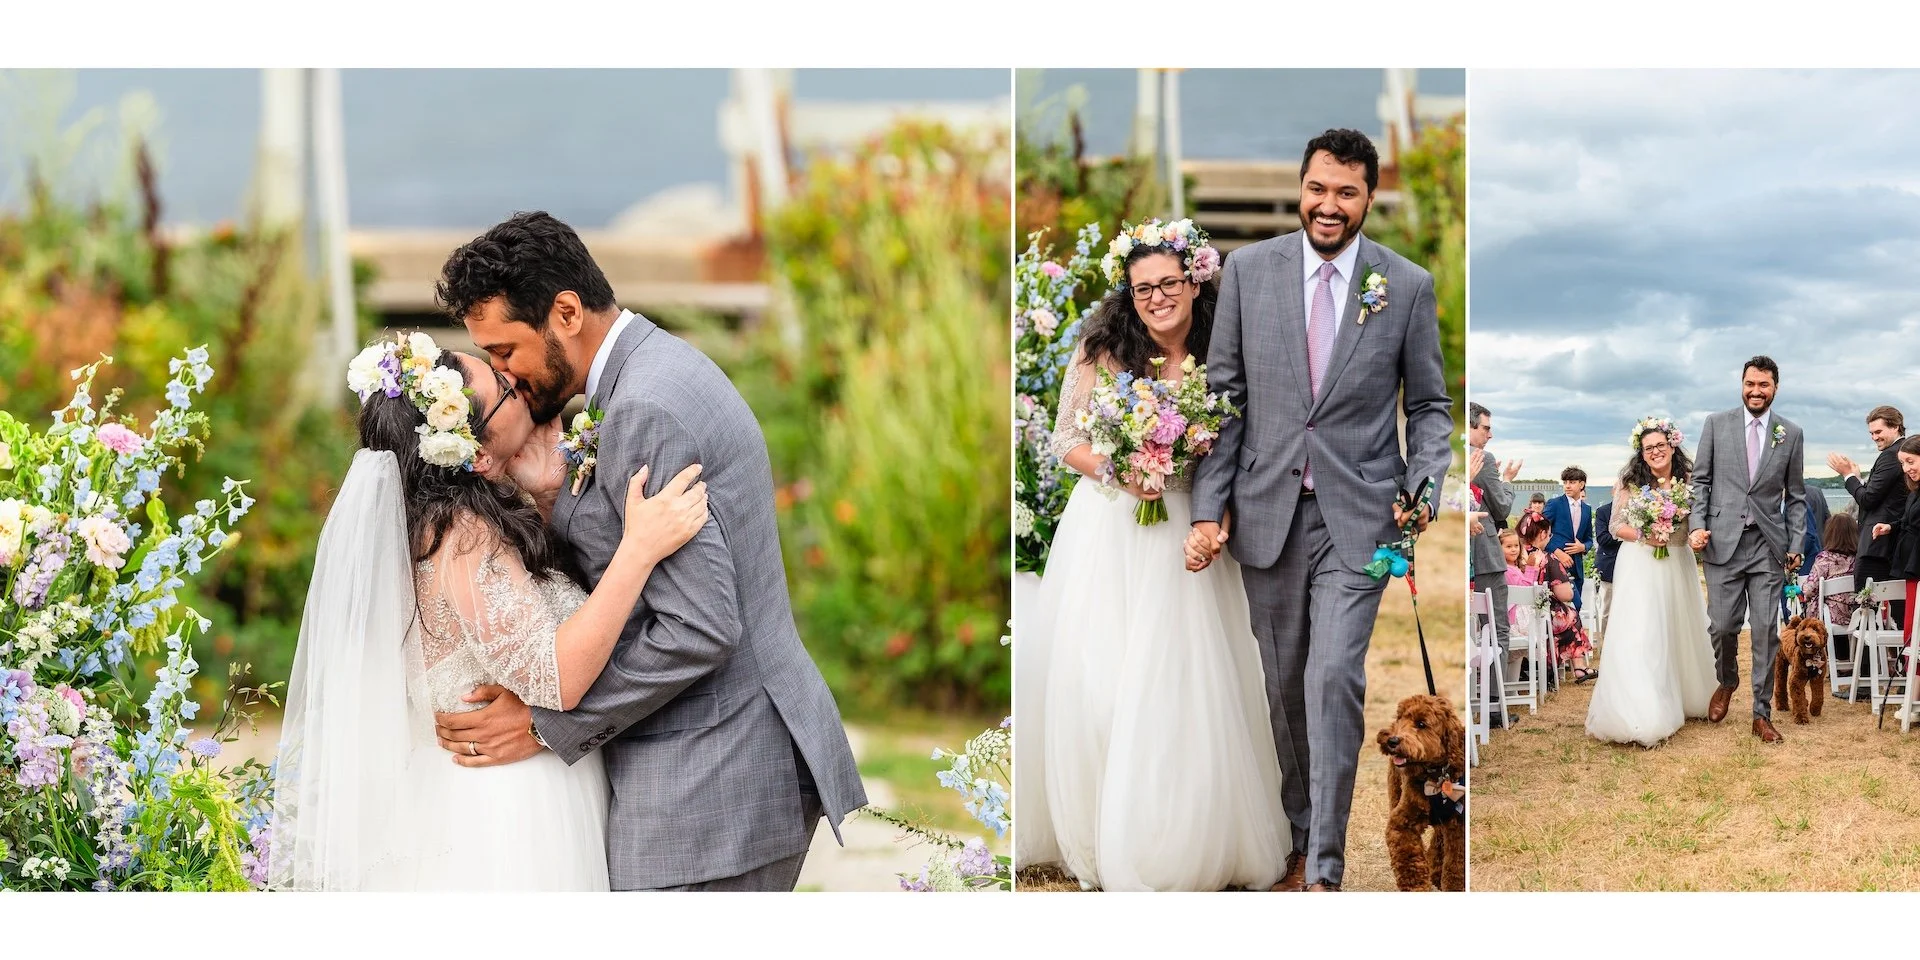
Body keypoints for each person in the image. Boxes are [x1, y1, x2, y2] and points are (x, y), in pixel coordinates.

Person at [424, 212, 865, 890]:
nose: (505, 374)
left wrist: (545, 726)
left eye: (506, 351)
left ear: (565, 312)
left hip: (712, 778)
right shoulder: (644, 374)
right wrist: (552, 502)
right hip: (714, 766)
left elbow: (698, 626)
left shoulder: (644, 408)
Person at [271, 333, 712, 889]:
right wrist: (640, 548)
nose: (520, 389)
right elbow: (559, 679)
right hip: (508, 812)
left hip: (502, 787)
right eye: (504, 389)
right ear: (474, 453)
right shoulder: (461, 537)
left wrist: (551, 497)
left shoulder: (444, 522)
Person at [1186, 128, 1452, 892]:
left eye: (1346, 192)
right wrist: (1211, 508)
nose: (1328, 206)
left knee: (1333, 676)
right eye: (1317, 189)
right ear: (1299, 187)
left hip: (1363, 517)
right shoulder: (1248, 271)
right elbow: (1226, 397)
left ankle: (1325, 869)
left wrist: (1423, 484)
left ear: (1370, 196)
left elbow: (1430, 404)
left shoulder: (1405, 284)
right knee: (1284, 685)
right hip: (1265, 512)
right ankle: (1299, 835)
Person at [1025, 219, 1287, 891]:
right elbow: (1065, 440)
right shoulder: (1104, 348)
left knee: (1184, 691)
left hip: (1187, 534)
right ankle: (1104, 829)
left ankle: (1181, 838)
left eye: (1169, 282)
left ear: (1196, 282)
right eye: (1143, 287)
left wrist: (1215, 519)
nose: (1156, 297)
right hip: (1111, 530)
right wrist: (1123, 473)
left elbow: (1241, 453)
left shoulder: (1224, 356)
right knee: (1103, 684)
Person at [1687, 356, 1807, 743]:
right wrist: (1697, 525)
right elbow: (1700, 482)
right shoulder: (1715, 424)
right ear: (1742, 384)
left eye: (1765, 385)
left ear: (1775, 388)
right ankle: (1727, 681)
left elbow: (1798, 496)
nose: (1757, 391)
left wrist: (1796, 542)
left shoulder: (1791, 432)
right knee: (1722, 626)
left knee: (1765, 632)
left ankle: (1761, 712)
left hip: (1768, 545)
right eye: (1751, 384)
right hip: (1722, 542)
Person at [1585, 418, 1719, 747]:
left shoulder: (1689, 480)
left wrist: (1694, 536)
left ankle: (1690, 696)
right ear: (1641, 454)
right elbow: (1617, 526)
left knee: (1680, 627)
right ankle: (1644, 711)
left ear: (1672, 446)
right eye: (1649, 448)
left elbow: (1698, 520)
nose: (1655, 452)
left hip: (1677, 561)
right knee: (1644, 632)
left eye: (1661, 445)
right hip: (1641, 563)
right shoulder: (1631, 480)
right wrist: (1647, 534)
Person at [1829, 405, 1906, 631]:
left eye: (1878, 432)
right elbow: (1879, 496)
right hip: (1888, 543)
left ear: (1895, 427)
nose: (1874, 438)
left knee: (1864, 613)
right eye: (1871, 433)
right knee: (1892, 612)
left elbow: (1869, 500)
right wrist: (1860, 479)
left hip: (1877, 548)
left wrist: (1848, 476)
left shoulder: (1891, 456)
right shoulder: (1899, 453)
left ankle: (1865, 666)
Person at [1520, 512, 1594, 683]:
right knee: (1571, 615)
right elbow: (1566, 594)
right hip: (1541, 617)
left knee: (1568, 615)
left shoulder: (1514, 554)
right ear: (1543, 534)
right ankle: (1576, 666)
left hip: (1515, 615)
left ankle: (1575, 667)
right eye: (1549, 534)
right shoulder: (1547, 558)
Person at [1542, 467, 1596, 615]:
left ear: (1582, 484)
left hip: (1577, 567)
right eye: (1565, 482)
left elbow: (1589, 539)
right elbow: (1539, 532)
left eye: (1572, 482)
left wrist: (1583, 547)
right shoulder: (1554, 504)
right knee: (1563, 607)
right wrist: (1557, 552)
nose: (1567, 486)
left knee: (1575, 608)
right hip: (1555, 564)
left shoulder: (1586, 509)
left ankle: (1573, 637)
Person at [1592, 498, 1620, 641]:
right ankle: (1606, 642)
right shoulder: (1603, 511)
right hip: (1609, 564)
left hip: (1633, 564)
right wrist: (1625, 536)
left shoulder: (1637, 510)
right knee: (1607, 608)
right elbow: (1602, 538)